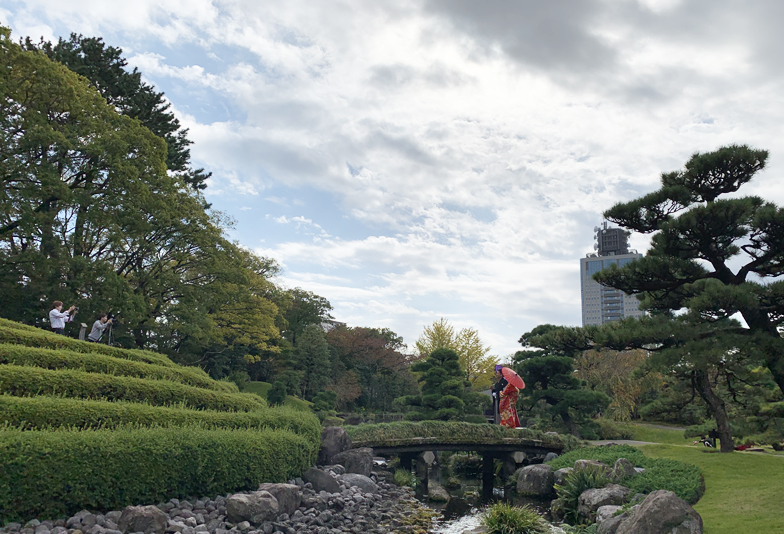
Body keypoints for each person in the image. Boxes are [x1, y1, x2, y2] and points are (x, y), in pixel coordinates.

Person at [493, 364, 521, 429]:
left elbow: (503, 394)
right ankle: (512, 424)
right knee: (512, 414)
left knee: (507, 415)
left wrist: (500, 392)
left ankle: (507, 425)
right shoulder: (515, 387)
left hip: (507, 403)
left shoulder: (510, 385)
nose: (496, 374)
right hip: (512, 403)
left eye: (497, 373)